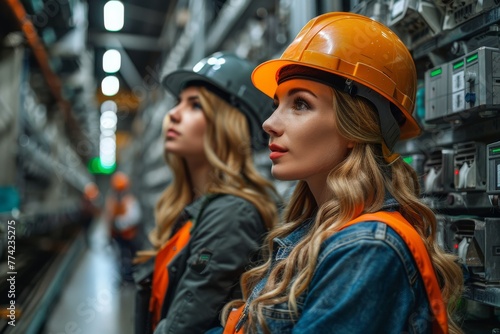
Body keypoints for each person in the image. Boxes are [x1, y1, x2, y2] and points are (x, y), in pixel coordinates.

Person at [215, 12, 465, 334]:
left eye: (301, 104)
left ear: (355, 128)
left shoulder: (367, 250)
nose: (269, 123)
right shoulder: (318, 232)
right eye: (278, 103)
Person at [135, 51, 280, 334]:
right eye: (178, 103)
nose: (173, 114)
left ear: (229, 124)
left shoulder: (232, 213)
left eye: (195, 105)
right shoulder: (194, 206)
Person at [105, 171, 142, 282]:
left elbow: (135, 217)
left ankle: (130, 274)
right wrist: (109, 232)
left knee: (129, 255)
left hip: (129, 235)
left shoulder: (130, 200)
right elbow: (108, 217)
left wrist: (121, 223)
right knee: (121, 255)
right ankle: (124, 275)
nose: (119, 192)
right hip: (117, 235)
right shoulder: (112, 201)